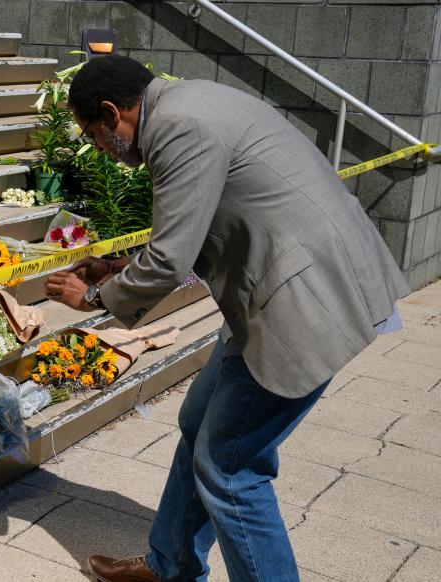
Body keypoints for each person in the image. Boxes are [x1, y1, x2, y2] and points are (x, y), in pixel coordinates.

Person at [44, 56, 408, 582]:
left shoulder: (178, 128)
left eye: (94, 135)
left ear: (111, 112)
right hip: (285, 285)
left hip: (299, 301)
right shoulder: (190, 102)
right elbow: (194, 228)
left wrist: (93, 298)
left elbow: (170, 261)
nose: (99, 148)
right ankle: (170, 566)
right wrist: (123, 265)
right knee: (199, 422)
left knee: (230, 467)